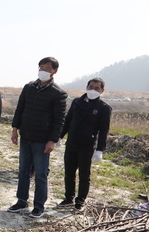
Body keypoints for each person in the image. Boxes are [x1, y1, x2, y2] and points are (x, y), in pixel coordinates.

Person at [8, 56, 67, 218]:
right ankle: (21, 202)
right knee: (23, 170)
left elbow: (59, 120)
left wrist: (53, 140)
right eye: (41, 68)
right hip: (26, 136)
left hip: (42, 140)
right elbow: (20, 109)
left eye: (47, 69)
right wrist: (15, 129)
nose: (43, 71)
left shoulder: (58, 93)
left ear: (54, 71)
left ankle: (39, 205)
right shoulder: (29, 87)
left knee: (40, 173)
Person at [58, 78, 112, 211]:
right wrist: (59, 136)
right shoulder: (77, 102)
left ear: (102, 91)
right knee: (69, 173)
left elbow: (104, 130)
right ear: (86, 87)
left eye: (97, 88)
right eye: (91, 87)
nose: (93, 90)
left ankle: (80, 201)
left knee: (84, 175)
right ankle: (68, 198)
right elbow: (68, 120)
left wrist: (100, 150)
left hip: (87, 146)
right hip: (72, 143)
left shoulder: (104, 108)